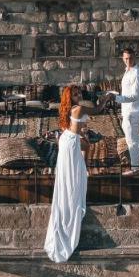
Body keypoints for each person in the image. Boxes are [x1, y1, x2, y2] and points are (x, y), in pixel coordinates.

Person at [44, 85, 90, 263]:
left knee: (85, 148)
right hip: (69, 142)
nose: (79, 96)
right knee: (70, 183)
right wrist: (107, 99)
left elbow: (71, 128)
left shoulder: (71, 109)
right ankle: (69, 214)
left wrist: (81, 135)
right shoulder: (78, 108)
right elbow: (99, 109)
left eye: (79, 93)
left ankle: (83, 169)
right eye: (75, 94)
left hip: (68, 139)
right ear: (69, 97)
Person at [113, 47, 139, 173]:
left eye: (130, 58)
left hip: (133, 111)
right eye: (125, 59)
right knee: (135, 136)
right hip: (127, 110)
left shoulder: (137, 73)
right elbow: (127, 92)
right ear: (122, 58)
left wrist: (116, 98)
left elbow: (135, 96)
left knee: (131, 141)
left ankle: (135, 168)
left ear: (134, 57)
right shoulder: (127, 70)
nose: (128, 61)